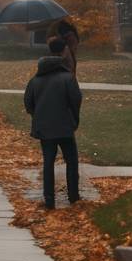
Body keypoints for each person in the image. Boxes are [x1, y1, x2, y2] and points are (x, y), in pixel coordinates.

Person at [23, 36, 83, 210]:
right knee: (71, 161)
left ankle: (49, 199)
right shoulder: (67, 78)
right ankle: (73, 195)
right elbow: (76, 100)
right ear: (63, 53)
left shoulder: (36, 80)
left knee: (48, 162)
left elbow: (28, 102)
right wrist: (73, 119)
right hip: (65, 126)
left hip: (44, 128)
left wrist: (38, 115)